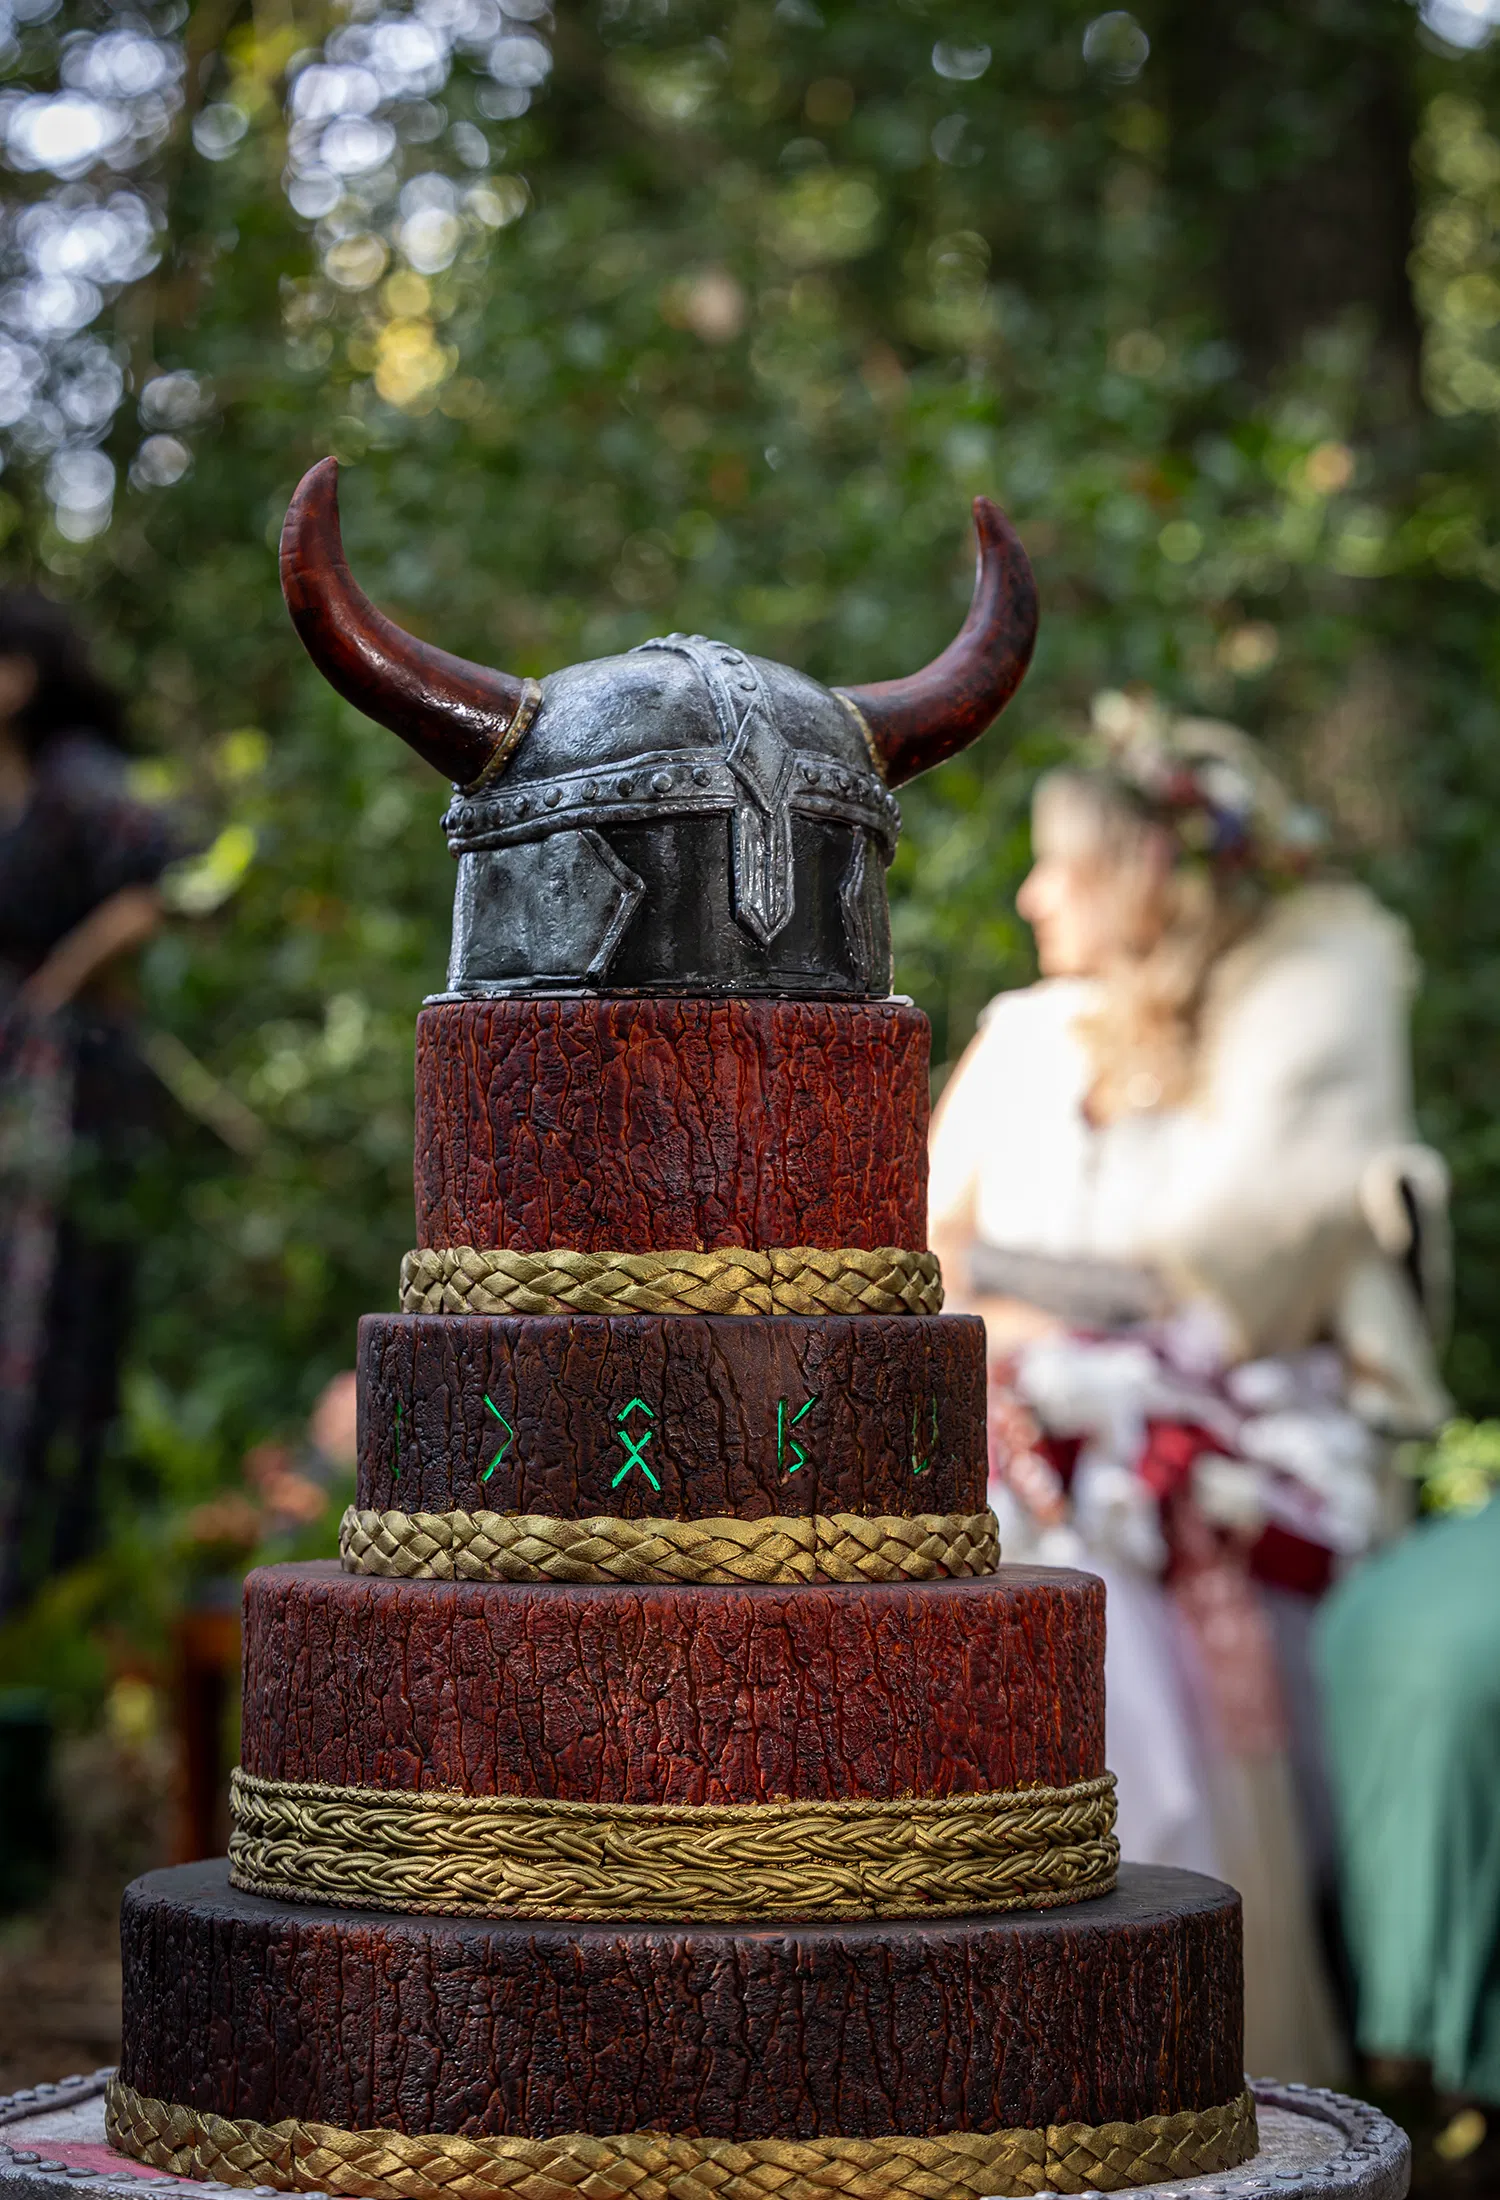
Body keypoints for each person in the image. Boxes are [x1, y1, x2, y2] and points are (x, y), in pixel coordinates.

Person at [928, 689, 1451, 2085]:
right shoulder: (1021, 1038)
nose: (1034, 896)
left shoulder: (1262, 1052)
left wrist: (1088, 1359)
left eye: (1066, 866)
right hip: (1005, 1416)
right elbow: (921, 1255)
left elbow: (1249, 1294)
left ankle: (1149, 2027)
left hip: (1189, 1451)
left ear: (1148, 875)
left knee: (1115, 1578)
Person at [0, 590, 180, 1621]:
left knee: (61, 1327)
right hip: (16, 1093)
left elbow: (168, 874)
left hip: (75, 1093)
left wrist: (63, 979)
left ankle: (56, 1593)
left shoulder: (76, 782)